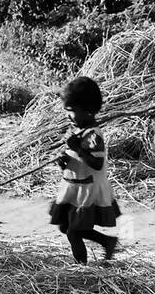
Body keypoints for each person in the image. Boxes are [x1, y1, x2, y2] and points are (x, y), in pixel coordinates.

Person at [50, 76, 120, 264]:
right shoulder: (77, 130)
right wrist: (64, 161)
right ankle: (107, 241)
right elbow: (76, 158)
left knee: (74, 231)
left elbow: (96, 163)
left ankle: (81, 267)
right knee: (65, 225)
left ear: (88, 109)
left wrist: (79, 149)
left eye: (71, 111)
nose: (68, 116)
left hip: (87, 189)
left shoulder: (92, 135)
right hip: (75, 186)